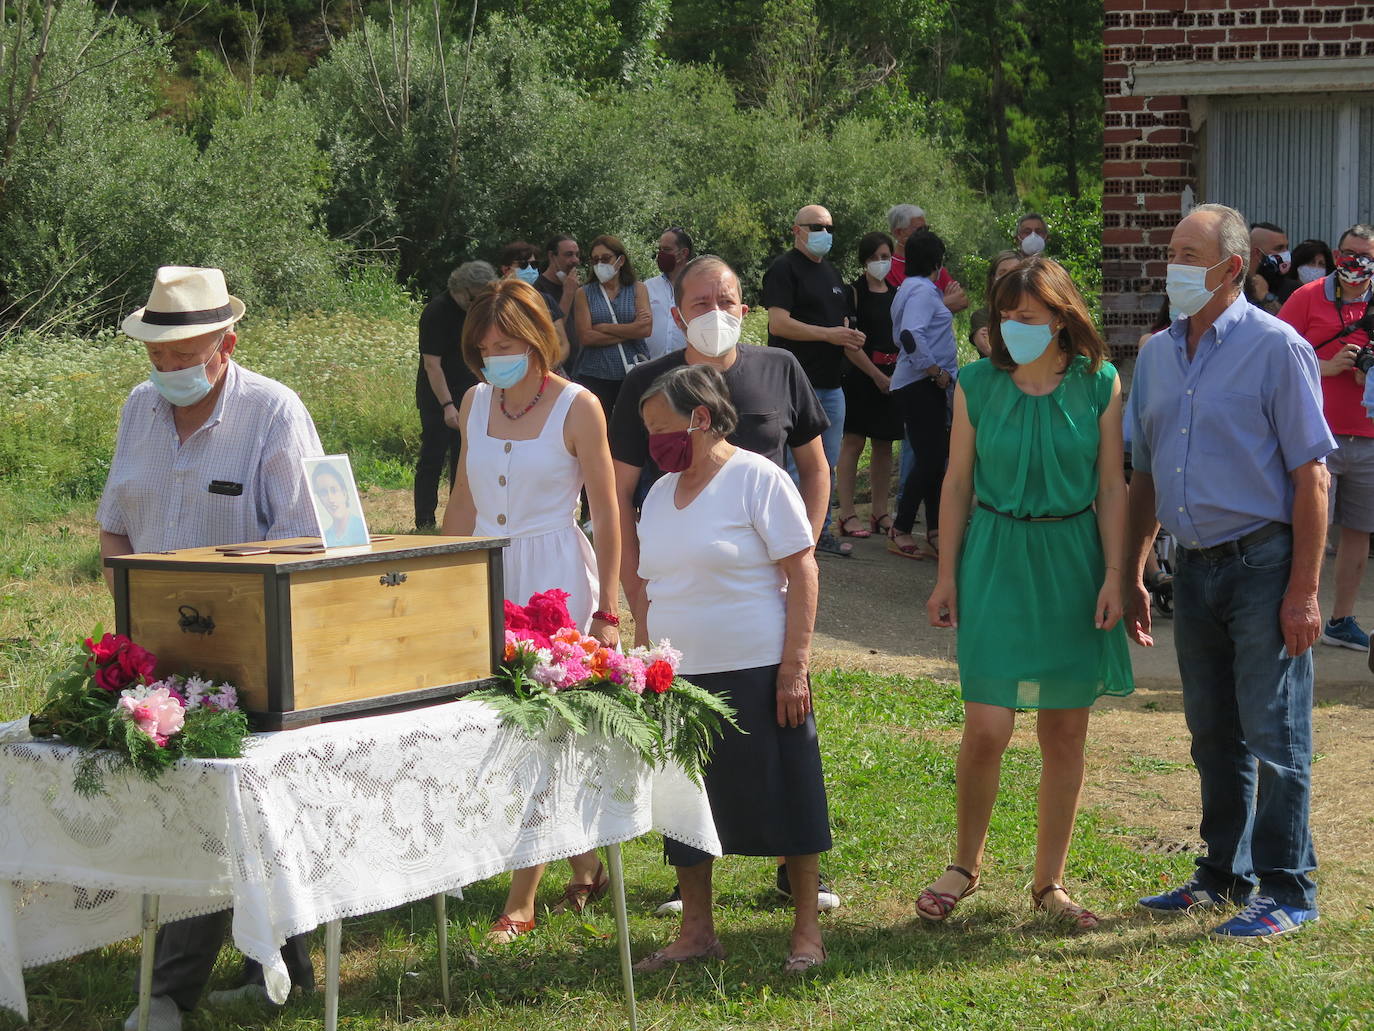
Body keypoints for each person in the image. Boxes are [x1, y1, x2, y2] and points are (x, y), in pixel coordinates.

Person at [99, 266, 323, 1031]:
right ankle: (283, 971)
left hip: (251, 652)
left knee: (209, 812)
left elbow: (304, 542)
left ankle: (165, 997)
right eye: (158, 357)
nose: (168, 371)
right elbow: (115, 523)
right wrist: (132, 618)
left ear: (226, 342)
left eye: (184, 355)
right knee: (225, 816)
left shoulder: (274, 412)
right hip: (157, 649)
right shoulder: (139, 409)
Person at [607, 255, 840, 915]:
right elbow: (625, 499)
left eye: (727, 300)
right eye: (700, 302)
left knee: (779, 752)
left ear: (745, 307)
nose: (715, 313)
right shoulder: (646, 385)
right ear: (676, 313)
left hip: (758, 588)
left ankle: (794, 881)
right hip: (686, 578)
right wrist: (639, 610)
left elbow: (814, 470)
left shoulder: (779, 371)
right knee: (693, 761)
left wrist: (794, 547)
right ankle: (697, 898)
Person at [1125, 203, 1334, 939]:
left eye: (1189, 253)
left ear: (1232, 268)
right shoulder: (1155, 355)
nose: (1172, 265)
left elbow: (1312, 477)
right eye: (1172, 251)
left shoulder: (1278, 349)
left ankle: (1288, 886)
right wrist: (1134, 569)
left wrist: (1305, 591)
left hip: (1263, 566)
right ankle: (1223, 872)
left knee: (1274, 732)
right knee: (1212, 731)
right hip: (1196, 572)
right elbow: (1143, 475)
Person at [922, 257, 1134, 930]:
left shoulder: (1100, 383)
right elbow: (956, 483)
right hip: (995, 559)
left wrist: (1113, 574)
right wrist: (946, 573)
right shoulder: (976, 383)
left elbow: (1110, 487)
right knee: (987, 727)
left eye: (1028, 318)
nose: (1012, 328)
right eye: (1004, 316)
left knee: (1065, 729)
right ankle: (965, 863)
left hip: (1073, 561)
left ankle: (1049, 883)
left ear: (1063, 319)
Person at [631, 364, 830, 974]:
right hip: (680, 679)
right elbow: (649, 584)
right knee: (688, 805)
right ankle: (697, 932)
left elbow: (802, 573)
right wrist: (647, 661)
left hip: (759, 668)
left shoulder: (758, 479)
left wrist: (794, 667)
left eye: (662, 429)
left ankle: (805, 933)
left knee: (790, 799)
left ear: (700, 418)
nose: (654, 444)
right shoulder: (660, 493)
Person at [440, 279, 622, 942]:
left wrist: (608, 607)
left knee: (541, 732)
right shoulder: (475, 399)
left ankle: (521, 898)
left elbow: (606, 511)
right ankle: (586, 862)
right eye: (485, 347)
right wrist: (439, 580)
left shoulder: (580, 407)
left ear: (539, 339)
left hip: (555, 578)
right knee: (496, 725)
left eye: (508, 344)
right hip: (487, 572)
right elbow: (463, 496)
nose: (495, 357)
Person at [1278, 223, 1374, 650]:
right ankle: (1298, 610)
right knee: (1307, 529)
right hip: (1317, 436)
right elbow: (1274, 359)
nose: (1357, 265)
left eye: (1367, 258)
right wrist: (1325, 366)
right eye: (1350, 255)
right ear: (1337, 255)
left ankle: (1341, 619)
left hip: (1369, 436)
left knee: (1358, 533)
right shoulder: (1307, 297)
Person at [763, 204, 865, 557]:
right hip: (793, 384)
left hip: (831, 384)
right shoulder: (783, 269)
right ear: (796, 230)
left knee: (826, 463)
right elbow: (779, 323)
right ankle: (789, 536)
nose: (824, 233)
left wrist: (850, 337)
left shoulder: (833, 274)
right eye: (816, 227)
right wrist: (828, 335)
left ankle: (819, 532)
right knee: (793, 464)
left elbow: (841, 327)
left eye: (829, 227)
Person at [888, 230, 957, 560]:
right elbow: (910, 335)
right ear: (938, 262)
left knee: (934, 459)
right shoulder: (924, 292)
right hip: (921, 384)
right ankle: (900, 527)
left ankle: (934, 529)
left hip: (919, 385)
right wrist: (936, 372)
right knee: (929, 459)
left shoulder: (909, 287)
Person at [414, 261, 496, 529]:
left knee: (467, 459)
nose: (476, 303)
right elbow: (431, 365)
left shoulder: (479, 310)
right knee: (433, 455)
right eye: (473, 297)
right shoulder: (436, 312)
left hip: (470, 391)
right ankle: (425, 519)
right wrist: (448, 406)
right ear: (460, 289)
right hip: (437, 395)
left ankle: (461, 517)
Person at [835, 231, 903, 539]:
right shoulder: (853, 292)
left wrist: (894, 375)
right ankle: (847, 513)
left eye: (885, 257)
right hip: (862, 376)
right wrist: (876, 376)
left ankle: (880, 512)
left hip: (894, 375)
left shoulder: (897, 291)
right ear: (865, 260)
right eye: (875, 257)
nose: (881, 262)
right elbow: (849, 342)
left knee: (884, 444)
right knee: (853, 443)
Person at [569, 233, 653, 421]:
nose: (600, 264)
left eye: (606, 259)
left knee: (633, 428)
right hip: (595, 374)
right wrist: (631, 331)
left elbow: (646, 329)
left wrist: (604, 327)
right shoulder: (584, 293)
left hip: (633, 372)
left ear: (620, 260)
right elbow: (586, 337)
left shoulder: (638, 289)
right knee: (596, 426)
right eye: (595, 260)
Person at [884, 204, 970, 312]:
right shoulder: (887, 268)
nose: (925, 234)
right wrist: (943, 302)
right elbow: (901, 310)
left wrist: (925, 306)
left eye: (927, 229)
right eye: (920, 230)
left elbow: (962, 301)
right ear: (899, 233)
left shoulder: (932, 262)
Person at [498, 239, 570, 367]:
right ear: (505, 269)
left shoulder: (546, 300)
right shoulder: (496, 303)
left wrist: (545, 370)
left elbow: (563, 344)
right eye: (524, 265)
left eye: (534, 264)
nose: (531, 269)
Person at [534, 234, 583, 372]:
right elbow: (551, 332)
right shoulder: (538, 290)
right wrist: (567, 294)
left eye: (577, 255)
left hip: (582, 367)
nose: (575, 260)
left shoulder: (577, 287)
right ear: (552, 256)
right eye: (568, 255)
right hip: (559, 369)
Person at [643, 226, 693, 359]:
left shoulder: (698, 287)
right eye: (660, 249)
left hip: (687, 368)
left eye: (667, 250)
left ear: (683, 253)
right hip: (652, 367)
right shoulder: (648, 287)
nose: (661, 254)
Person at [969, 250, 1023, 358]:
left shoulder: (1034, 311)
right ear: (993, 279)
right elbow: (990, 350)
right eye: (1003, 273)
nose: (1008, 278)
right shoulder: (982, 315)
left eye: (1014, 273)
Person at [311, 461, 368, 547]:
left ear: (344, 493)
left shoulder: (361, 528)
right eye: (324, 493)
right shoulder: (326, 537)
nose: (330, 499)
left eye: (334, 490)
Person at [1248, 220, 1290, 314]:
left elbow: (1289, 326)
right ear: (1258, 253)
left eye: (1286, 247)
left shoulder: (1293, 289)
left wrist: (1266, 297)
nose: (1285, 253)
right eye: (1279, 248)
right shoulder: (1235, 285)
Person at [1277, 239, 1334, 304]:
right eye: (1311, 262)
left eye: (1321, 264)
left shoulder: (1329, 297)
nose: (1316, 267)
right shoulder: (1282, 291)